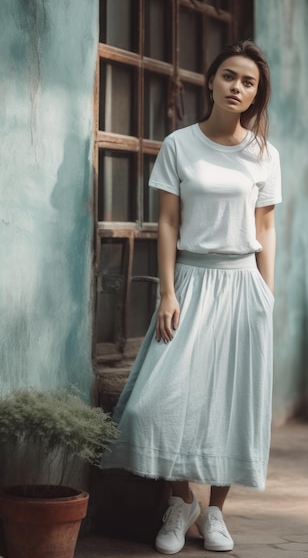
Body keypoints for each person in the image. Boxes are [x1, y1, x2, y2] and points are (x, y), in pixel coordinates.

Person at [101, 39, 282, 554]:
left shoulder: (265, 154)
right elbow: (167, 221)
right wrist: (167, 292)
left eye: (248, 82)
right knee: (156, 403)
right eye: (229, 76)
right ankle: (181, 502)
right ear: (210, 81)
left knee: (233, 402)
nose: (237, 87)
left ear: (255, 94)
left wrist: (267, 295)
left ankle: (217, 511)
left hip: (243, 285)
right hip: (191, 282)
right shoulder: (179, 144)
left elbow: (265, 229)